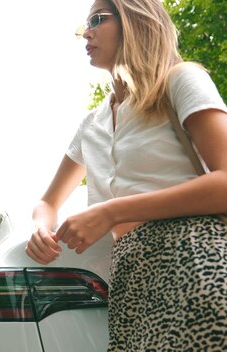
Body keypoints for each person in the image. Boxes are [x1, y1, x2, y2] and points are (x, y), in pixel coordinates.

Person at [25, 0, 227, 350]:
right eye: (84, 25)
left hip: (196, 264)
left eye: (97, 20)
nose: (86, 33)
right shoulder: (92, 124)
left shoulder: (179, 79)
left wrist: (112, 211)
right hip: (128, 283)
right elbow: (48, 201)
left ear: (134, 19)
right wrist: (40, 229)